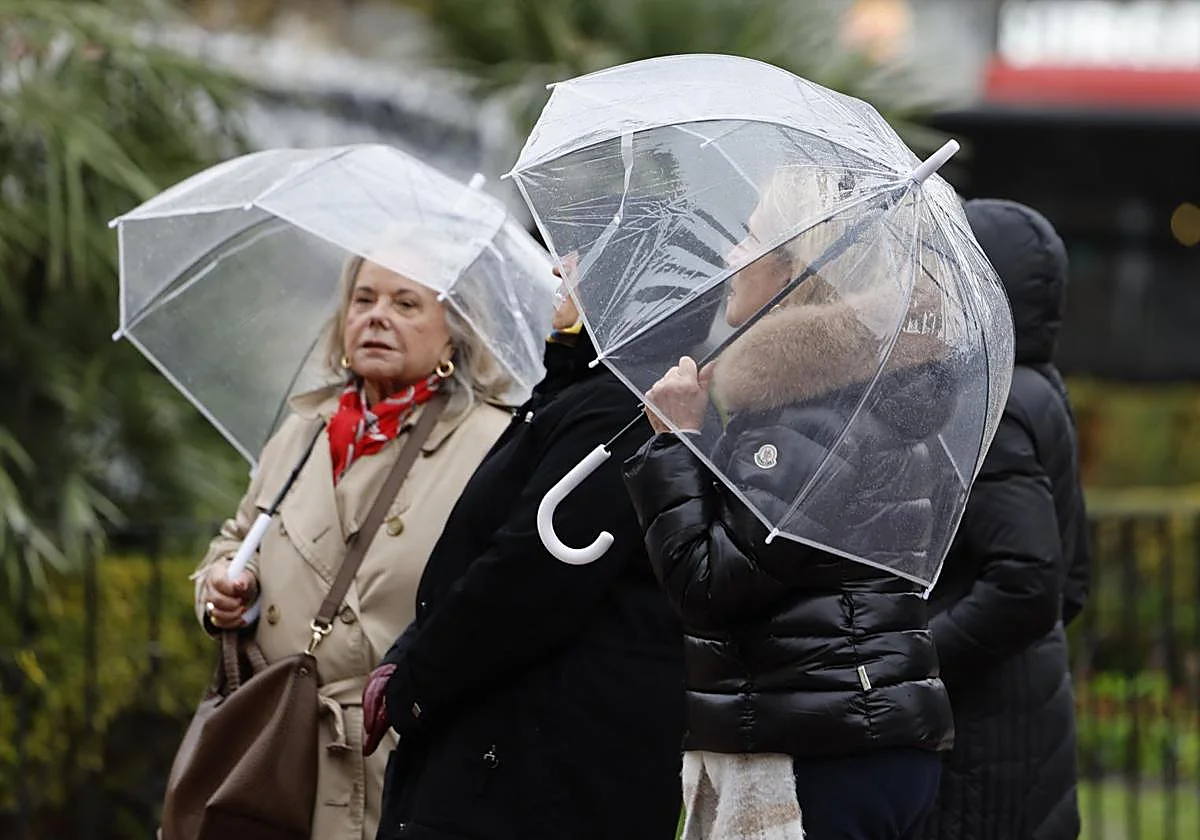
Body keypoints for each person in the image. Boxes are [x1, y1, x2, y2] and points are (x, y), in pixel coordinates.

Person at [621, 166, 956, 840]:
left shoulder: (810, 414)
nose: (729, 258)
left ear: (794, 267)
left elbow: (711, 583)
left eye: (747, 240)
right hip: (851, 737)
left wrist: (677, 445)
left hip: (819, 752)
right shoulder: (842, 397)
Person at [192, 253, 514, 840]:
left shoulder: (493, 440)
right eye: (364, 299)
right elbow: (237, 538)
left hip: (408, 758)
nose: (376, 316)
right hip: (278, 756)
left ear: (456, 330)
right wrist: (221, 589)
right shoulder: (303, 430)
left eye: (406, 303)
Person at [363, 260, 687, 840]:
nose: (560, 266)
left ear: (626, 275)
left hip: (534, 778)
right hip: (502, 761)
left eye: (586, 253)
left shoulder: (621, 411)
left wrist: (414, 684)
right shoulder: (574, 394)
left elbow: (527, 576)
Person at [918, 198, 1091, 840]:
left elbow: (1027, 582)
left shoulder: (992, 401)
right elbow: (1068, 584)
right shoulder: (1037, 387)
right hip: (1020, 718)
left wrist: (909, 661)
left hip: (982, 742)